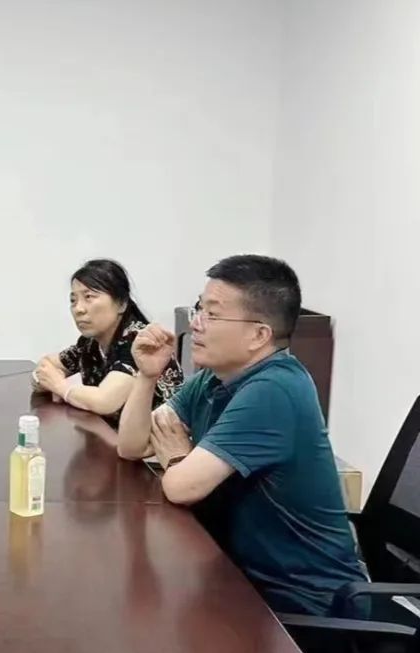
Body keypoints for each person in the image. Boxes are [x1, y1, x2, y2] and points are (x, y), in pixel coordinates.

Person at [116, 254, 365, 616]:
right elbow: (131, 445)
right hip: (242, 577)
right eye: (199, 308)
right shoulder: (213, 378)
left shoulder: (274, 388)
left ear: (259, 335)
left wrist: (177, 456)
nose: (196, 323)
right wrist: (146, 376)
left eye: (213, 314)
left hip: (303, 604)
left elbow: (182, 487)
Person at [33, 259, 183, 424]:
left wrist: (60, 386)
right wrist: (44, 379)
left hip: (160, 437)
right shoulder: (90, 343)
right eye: (73, 300)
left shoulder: (139, 342)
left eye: (89, 297)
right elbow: (47, 364)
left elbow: (106, 401)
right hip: (111, 434)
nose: (78, 309)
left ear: (122, 304)